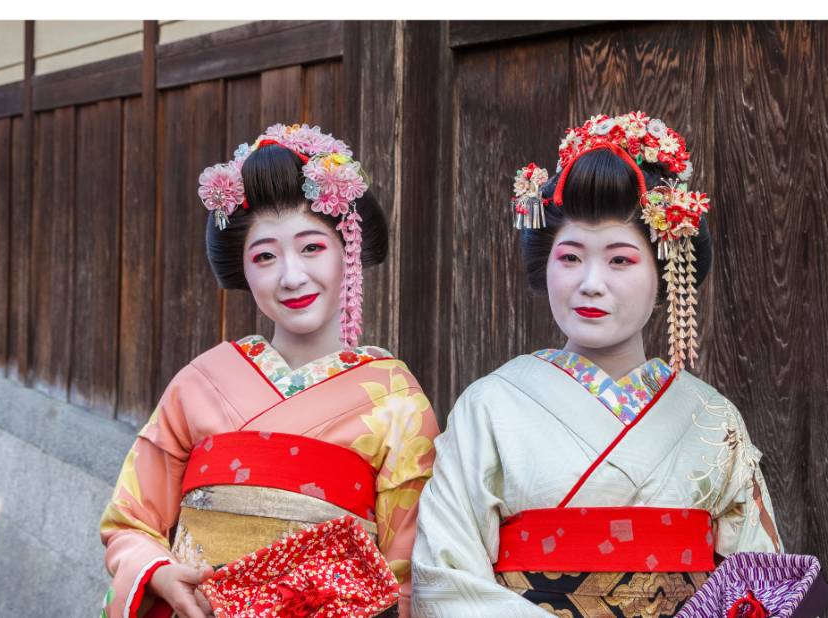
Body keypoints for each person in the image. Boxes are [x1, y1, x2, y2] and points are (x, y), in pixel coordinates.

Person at [412, 113, 782, 617]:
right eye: (570, 257)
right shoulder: (491, 405)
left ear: (665, 270)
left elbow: (761, 580)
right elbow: (444, 579)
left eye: (620, 260)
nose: (590, 283)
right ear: (545, 265)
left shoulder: (713, 418)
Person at [99, 124, 439, 618]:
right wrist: (157, 570)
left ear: (350, 250)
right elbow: (130, 520)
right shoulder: (200, 381)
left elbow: (405, 573)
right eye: (264, 256)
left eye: (312, 248)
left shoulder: (397, 401)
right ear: (242, 269)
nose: (291, 276)